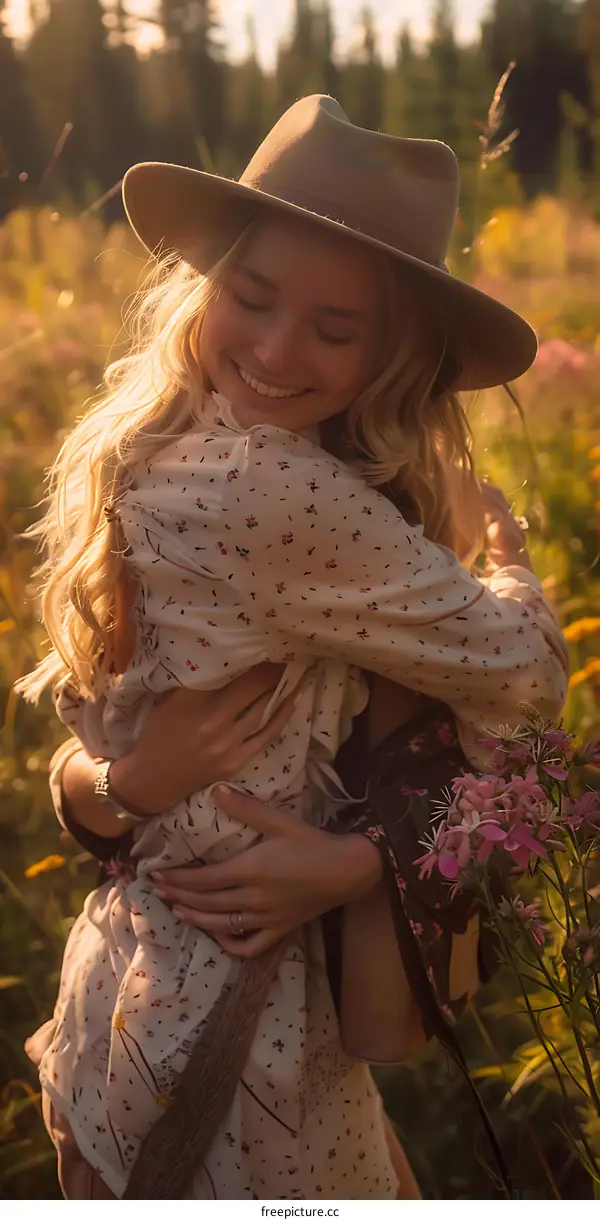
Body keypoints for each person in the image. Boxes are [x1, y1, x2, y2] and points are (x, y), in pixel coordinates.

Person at [18, 95, 568, 1200]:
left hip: (129, 1012)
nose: (274, 351)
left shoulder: (157, 438)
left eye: (334, 327)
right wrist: (509, 559)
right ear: (207, 283)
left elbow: (97, 758)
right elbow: (528, 679)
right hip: (240, 1052)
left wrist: (122, 785)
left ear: (392, 350)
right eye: (253, 298)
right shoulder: (269, 487)